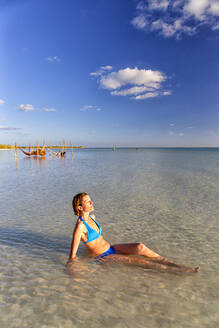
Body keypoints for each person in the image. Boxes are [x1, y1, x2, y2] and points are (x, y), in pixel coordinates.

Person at [67, 193, 200, 273]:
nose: (91, 202)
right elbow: (72, 255)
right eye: (87, 201)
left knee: (140, 247)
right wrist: (73, 271)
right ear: (80, 207)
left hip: (112, 248)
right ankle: (180, 271)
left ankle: (173, 263)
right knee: (140, 262)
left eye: (90, 199)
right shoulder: (80, 226)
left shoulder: (92, 217)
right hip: (103, 256)